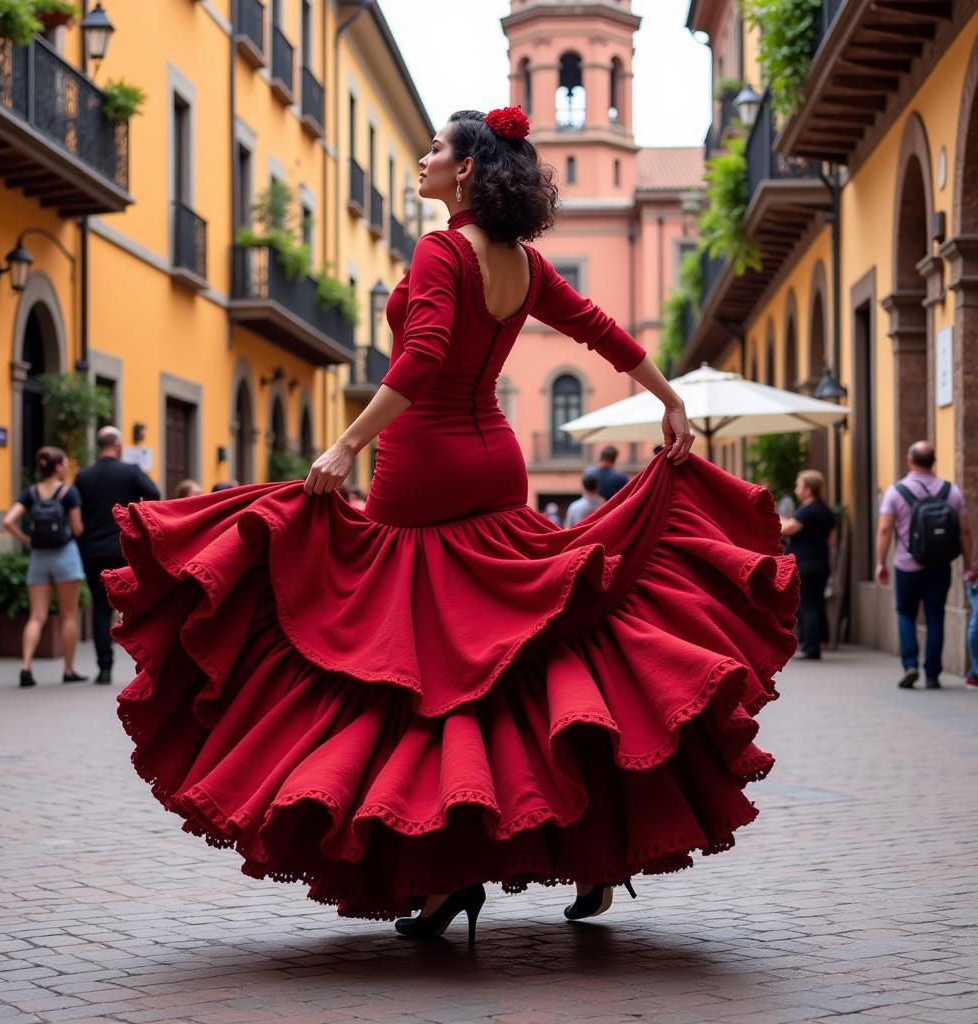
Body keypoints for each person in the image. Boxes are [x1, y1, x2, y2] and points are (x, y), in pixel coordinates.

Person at [103, 106, 797, 942]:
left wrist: (346, 446)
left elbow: (424, 354)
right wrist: (670, 396)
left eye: (435, 149)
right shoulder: (523, 263)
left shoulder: (440, 249)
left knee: (414, 670)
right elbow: (601, 330)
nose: (424, 158)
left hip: (422, 470)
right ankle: (595, 856)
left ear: (465, 170)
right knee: (525, 649)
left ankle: (443, 874)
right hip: (496, 464)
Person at [875, 441, 974, 689]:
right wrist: (969, 565)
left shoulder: (896, 491)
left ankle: (910, 665)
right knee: (935, 616)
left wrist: (880, 562)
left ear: (910, 460)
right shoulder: (952, 491)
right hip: (940, 566)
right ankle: (932, 674)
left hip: (906, 565)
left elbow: (885, 529)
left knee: (906, 613)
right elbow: (965, 532)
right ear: (934, 461)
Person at [75, 427, 160, 685]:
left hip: (92, 550)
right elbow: (154, 494)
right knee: (133, 606)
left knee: (100, 608)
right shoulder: (130, 472)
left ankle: (104, 668)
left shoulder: (83, 476)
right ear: (118, 445)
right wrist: (136, 520)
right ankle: (144, 664)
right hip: (124, 549)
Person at [2, 446, 87, 687]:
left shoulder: (31, 493)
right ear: (59, 466)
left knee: (36, 616)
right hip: (65, 556)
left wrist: (27, 540)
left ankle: (26, 667)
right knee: (68, 615)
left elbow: (8, 521)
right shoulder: (70, 493)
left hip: (39, 558)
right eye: (65, 463)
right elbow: (78, 528)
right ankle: (68, 670)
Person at [780, 470, 836, 661]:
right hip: (821, 562)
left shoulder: (808, 510)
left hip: (806, 563)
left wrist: (777, 519)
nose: (797, 490)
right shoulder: (825, 511)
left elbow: (786, 530)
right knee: (816, 604)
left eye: (799, 485)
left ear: (808, 489)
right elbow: (832, 541)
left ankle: (810, 647)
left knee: (806, 606)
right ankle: (817, 643)